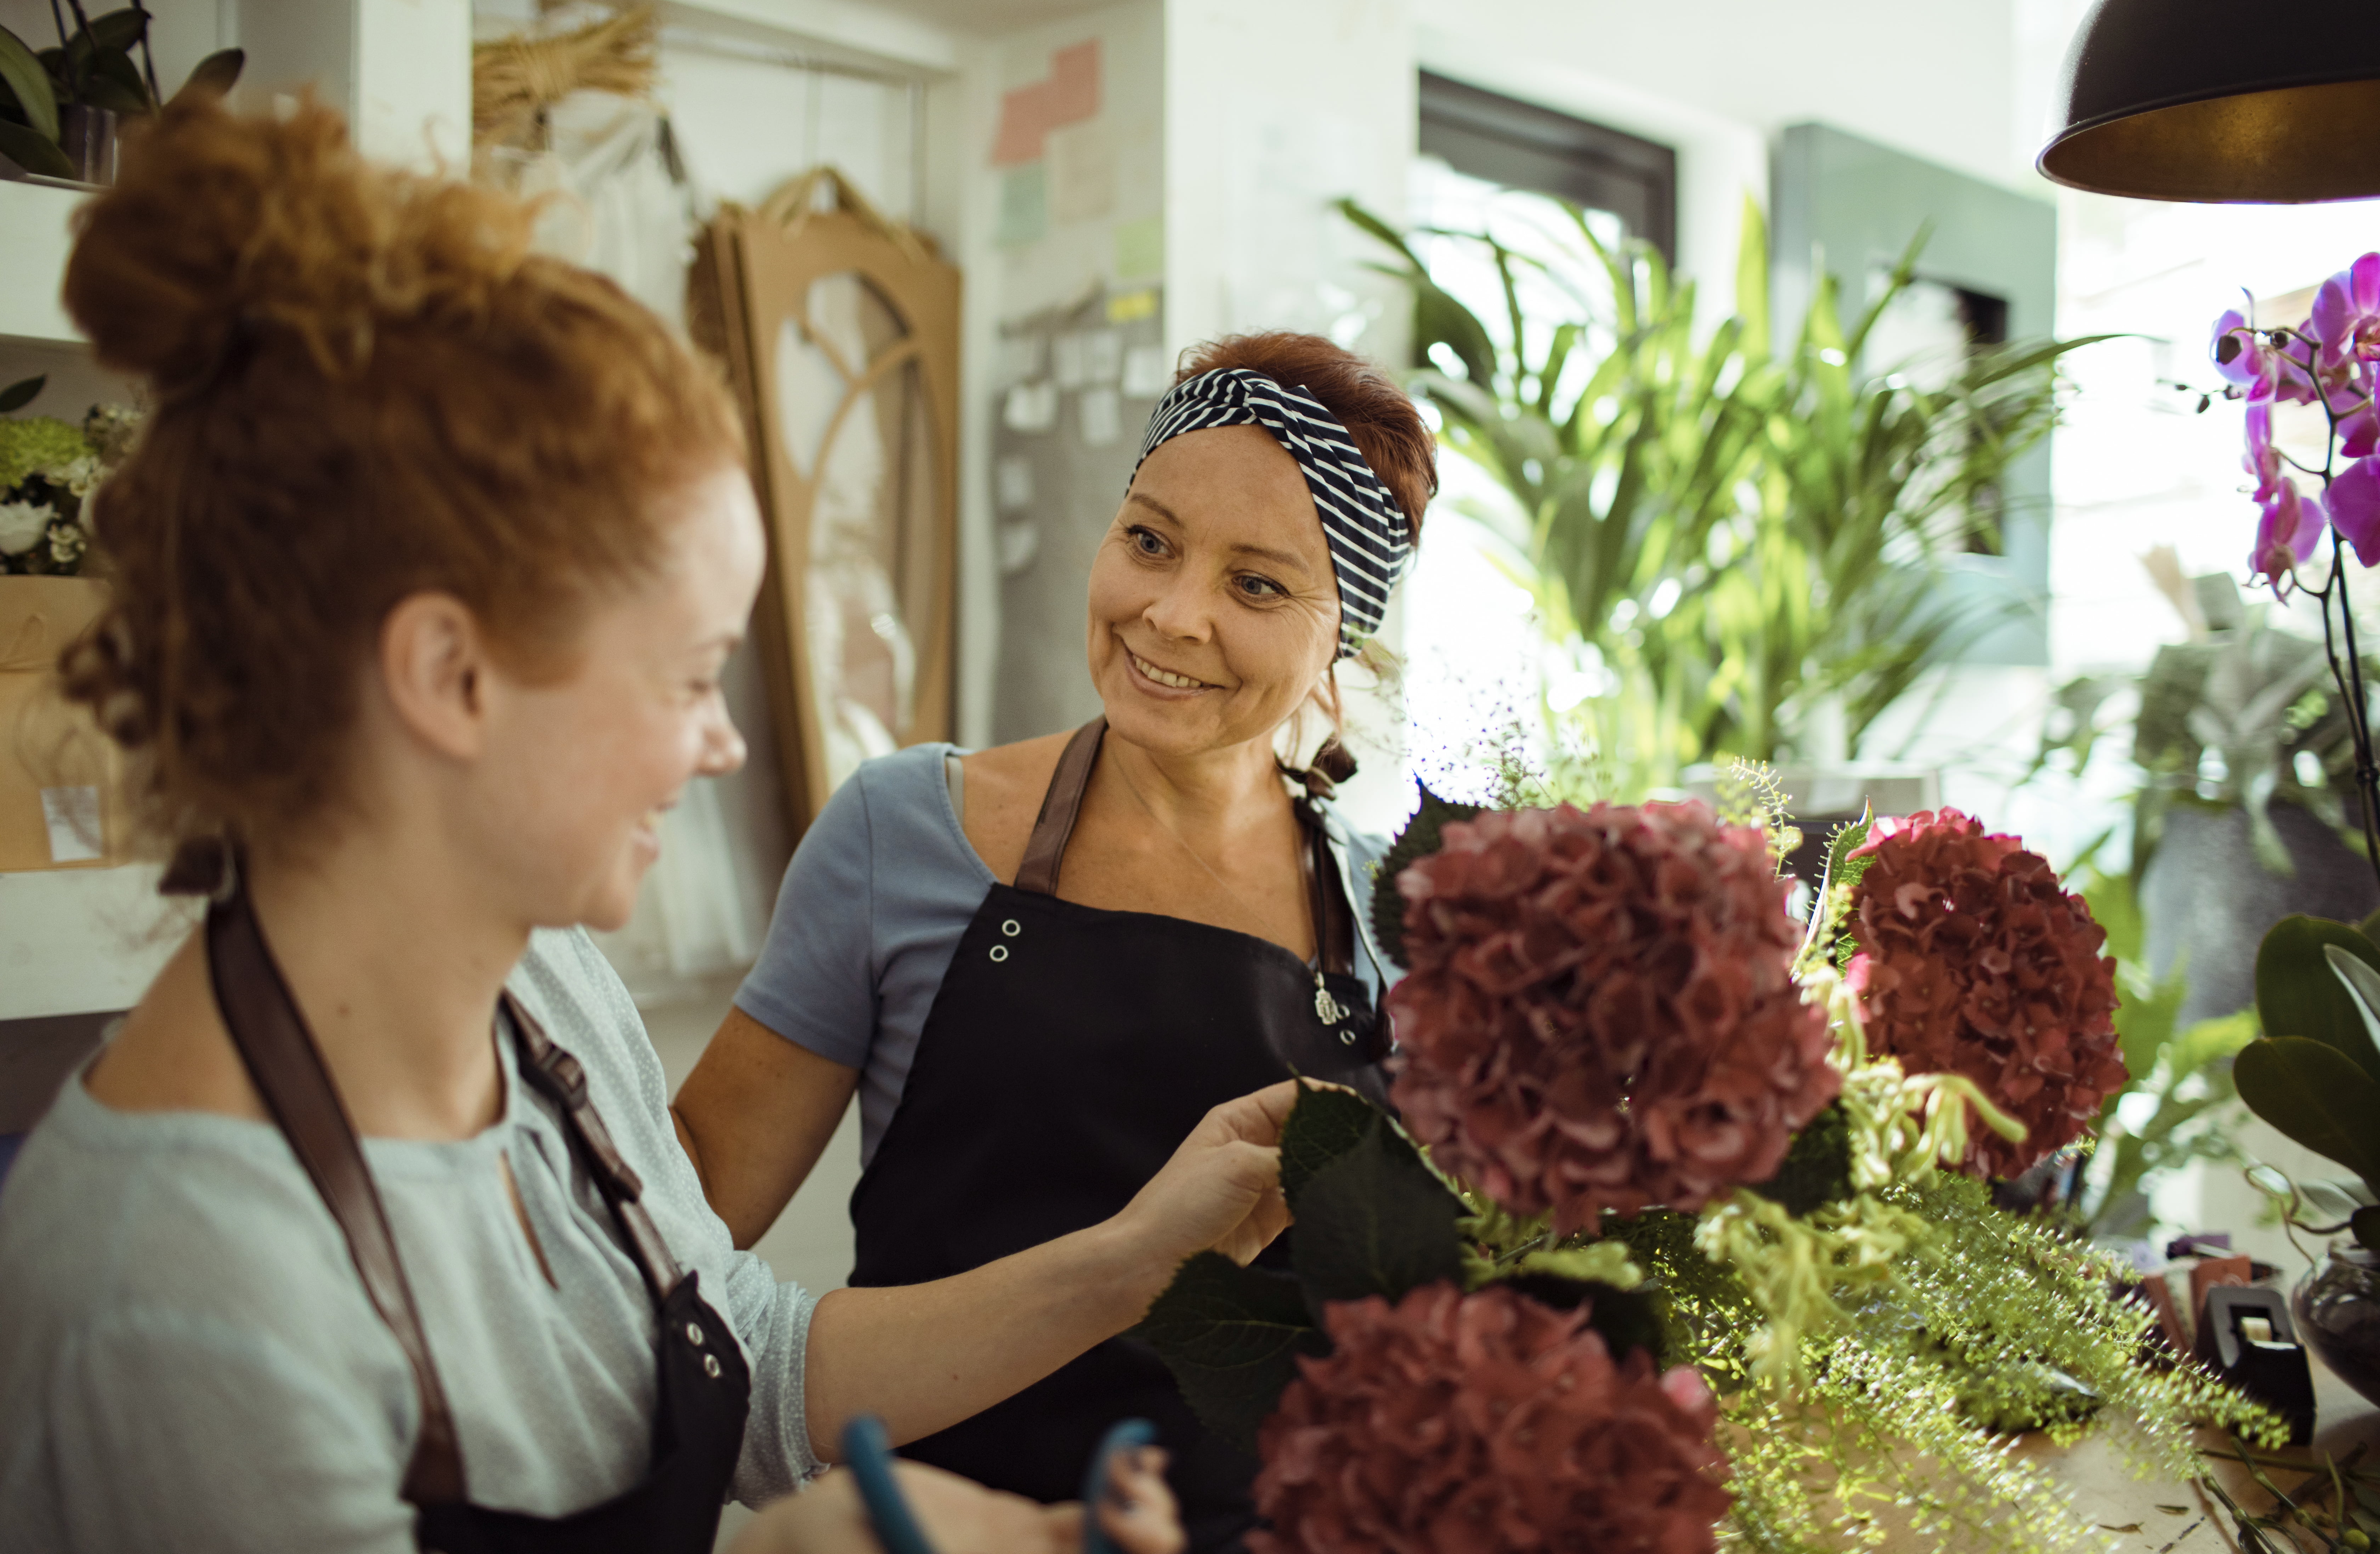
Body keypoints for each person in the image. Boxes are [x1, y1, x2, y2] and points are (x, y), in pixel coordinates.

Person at [0, 95, 1290, 1554]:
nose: (722, 742)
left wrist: (1136, 1263)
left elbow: (739, 1354)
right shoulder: (185, 1285)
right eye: (687, 678)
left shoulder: (541, 990)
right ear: (452, 675)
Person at [672, 331, 1437, 1550]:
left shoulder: (1392, 924)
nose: (1171, 615)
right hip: (929, 1529)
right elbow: (685, 1208)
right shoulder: (900, 831)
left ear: (1342, 632)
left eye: (1256, 585)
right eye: (1150, 541)